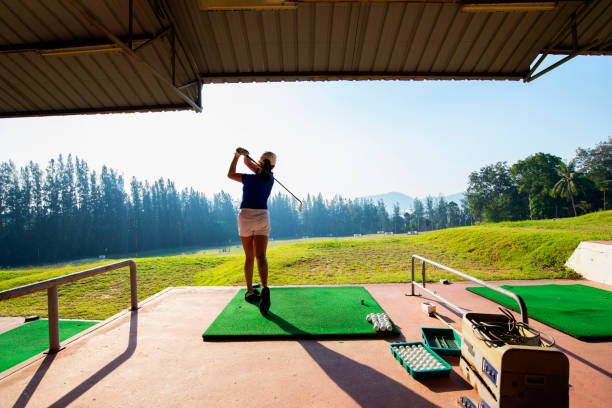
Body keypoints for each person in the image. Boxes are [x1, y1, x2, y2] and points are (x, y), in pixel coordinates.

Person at [227, 147, 276, 315]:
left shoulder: (249, 179)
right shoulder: (270, 179)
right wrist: (246, 157)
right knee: (261, 256)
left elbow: (230, 174)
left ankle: (249, 290)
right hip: (262, 216)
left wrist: (237, 156)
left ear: (260, 162)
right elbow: (252, 165)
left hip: (246, 217)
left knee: (249, 257)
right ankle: (264, 287)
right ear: (273, 167)